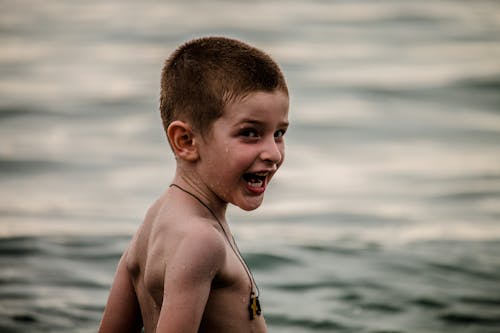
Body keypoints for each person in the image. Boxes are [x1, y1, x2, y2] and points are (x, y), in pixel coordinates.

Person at [99, 36, 289, 333]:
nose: (273, 153)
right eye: (250, 133)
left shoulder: (154, 221)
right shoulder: (201, 240)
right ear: (186, 141)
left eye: (279, 133)